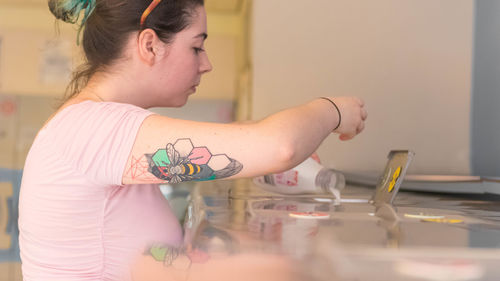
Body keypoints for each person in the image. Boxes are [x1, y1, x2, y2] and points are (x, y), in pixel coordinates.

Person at [18, 0, 367, 280]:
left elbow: (144, 262)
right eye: (197, 47)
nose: (207, 64)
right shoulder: (91, 128)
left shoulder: (91, 126)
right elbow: (280, 146)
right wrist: (333, 110)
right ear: (150, 45)